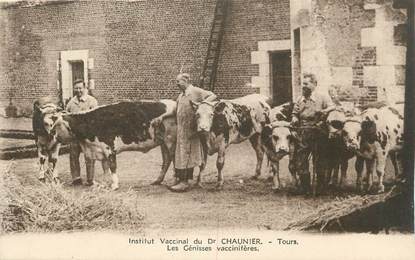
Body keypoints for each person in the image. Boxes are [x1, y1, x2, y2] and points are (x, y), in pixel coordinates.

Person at [169, 73, 217, 192]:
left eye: (179, 81)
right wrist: (161, 117)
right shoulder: (181, 96)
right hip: (181, 130)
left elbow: (212, 96)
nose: (177, 84)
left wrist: (201, 105)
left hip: (190, 130)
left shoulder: (195, 91)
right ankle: (183, 180)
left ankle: (184, 182)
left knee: (187, 154)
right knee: (182, 154)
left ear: (186, 81)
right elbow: (175, 111)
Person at [290, 73, 334, 195]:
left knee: (320, 160)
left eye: (307, 84)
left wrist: (324, 111)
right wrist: (294, 118)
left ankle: (321, 187)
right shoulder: (300, 99)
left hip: (319, 131)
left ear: (314, 84)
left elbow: (332, 107)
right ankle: (306, 188)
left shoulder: (322, 97)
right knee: (302, 160)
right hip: (303, 132)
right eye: (303, 84)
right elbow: (295, 112)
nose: (304, 86)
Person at [66, 79, 98, 186]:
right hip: (75, 135)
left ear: (85, 88)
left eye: (80, 88)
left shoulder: (92, 101)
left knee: (89, 157)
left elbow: (95, 119)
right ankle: (76, 178)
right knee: (73, 155)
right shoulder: (71, 103)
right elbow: (67, 118)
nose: (78, 90)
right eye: (76, 88)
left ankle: (90, 179)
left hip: (87, 136)